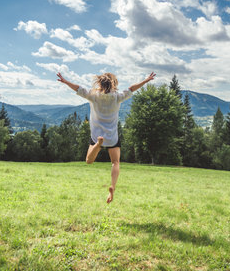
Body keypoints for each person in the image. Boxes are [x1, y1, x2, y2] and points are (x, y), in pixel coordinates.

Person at [57, 71, 156, 203]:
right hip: (112, 136)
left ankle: (98, 145)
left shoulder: (93, 95)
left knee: (89, 161)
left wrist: (66, 81)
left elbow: (78, 88)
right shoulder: (117, 97)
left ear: (100, 83)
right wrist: (145, 81)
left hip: (96, 134)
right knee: (115, 162)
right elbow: (132, 88)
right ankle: (113, 187)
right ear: (113, 83)